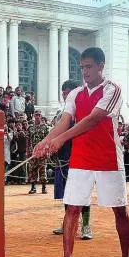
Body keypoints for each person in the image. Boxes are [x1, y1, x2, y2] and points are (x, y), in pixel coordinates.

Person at [33, 47, 129, 257]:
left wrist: (61, 140)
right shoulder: (75, 94)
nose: (85, 71)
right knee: (72, 208)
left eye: (89, 67)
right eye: (82, 67)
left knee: (120, 210)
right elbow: (64, 121)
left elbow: (94, 119)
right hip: (81, 159)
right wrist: (45, 141)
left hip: (108, 159)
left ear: (101, 65)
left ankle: (125, 256)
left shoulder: (112, 90)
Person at [51, 80, 91, 239]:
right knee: (67, 194)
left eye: (67, 92)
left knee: (83, 194)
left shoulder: (84, 113)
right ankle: (67, 223)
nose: (64, 95)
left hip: (80, 159)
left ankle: (86, 226)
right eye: (63, 92)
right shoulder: (61, 115)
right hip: (63, 158)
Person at [26, 110, 50, 194]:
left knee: (43, 168)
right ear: (34, 116)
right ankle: (33, 187)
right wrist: (27, 151)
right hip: (32, 152)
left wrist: (47, 150)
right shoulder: (30, 127)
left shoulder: (45, 127)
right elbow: (28, 140)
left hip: (42, 151)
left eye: (39, 115)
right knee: (32, 169)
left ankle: (44, 187)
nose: (37, 116)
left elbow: (48, 140)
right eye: (36, 115)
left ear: (41, 116)